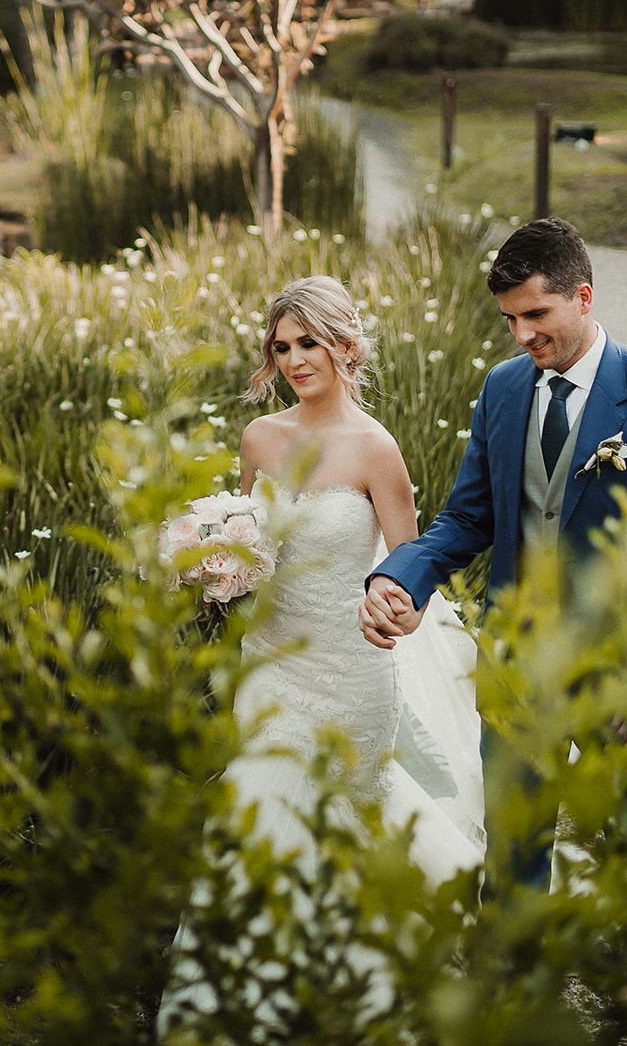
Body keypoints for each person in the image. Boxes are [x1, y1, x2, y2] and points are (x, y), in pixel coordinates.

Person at [159, 275, 483, 1036]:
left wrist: (392, 608)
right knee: (259, 805)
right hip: (271, 663)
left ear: (343, 343)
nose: (296, 358)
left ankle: (356, 988)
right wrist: (210, 573)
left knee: (347, 815)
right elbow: (243, 537)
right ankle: (242, 996)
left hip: (353, 669)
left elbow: (414, 572)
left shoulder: (377, 449)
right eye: (282, 346)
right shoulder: (260, 439)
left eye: (308, 341)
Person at [359, 217, 627, 890]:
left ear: (583, 297)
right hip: (515, 670)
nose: (522, 334)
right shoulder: (502, 389)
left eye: (536, 313)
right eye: (508, 319)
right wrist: (400, 578)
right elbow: (466, 519)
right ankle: (513, 985)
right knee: (513, 855)